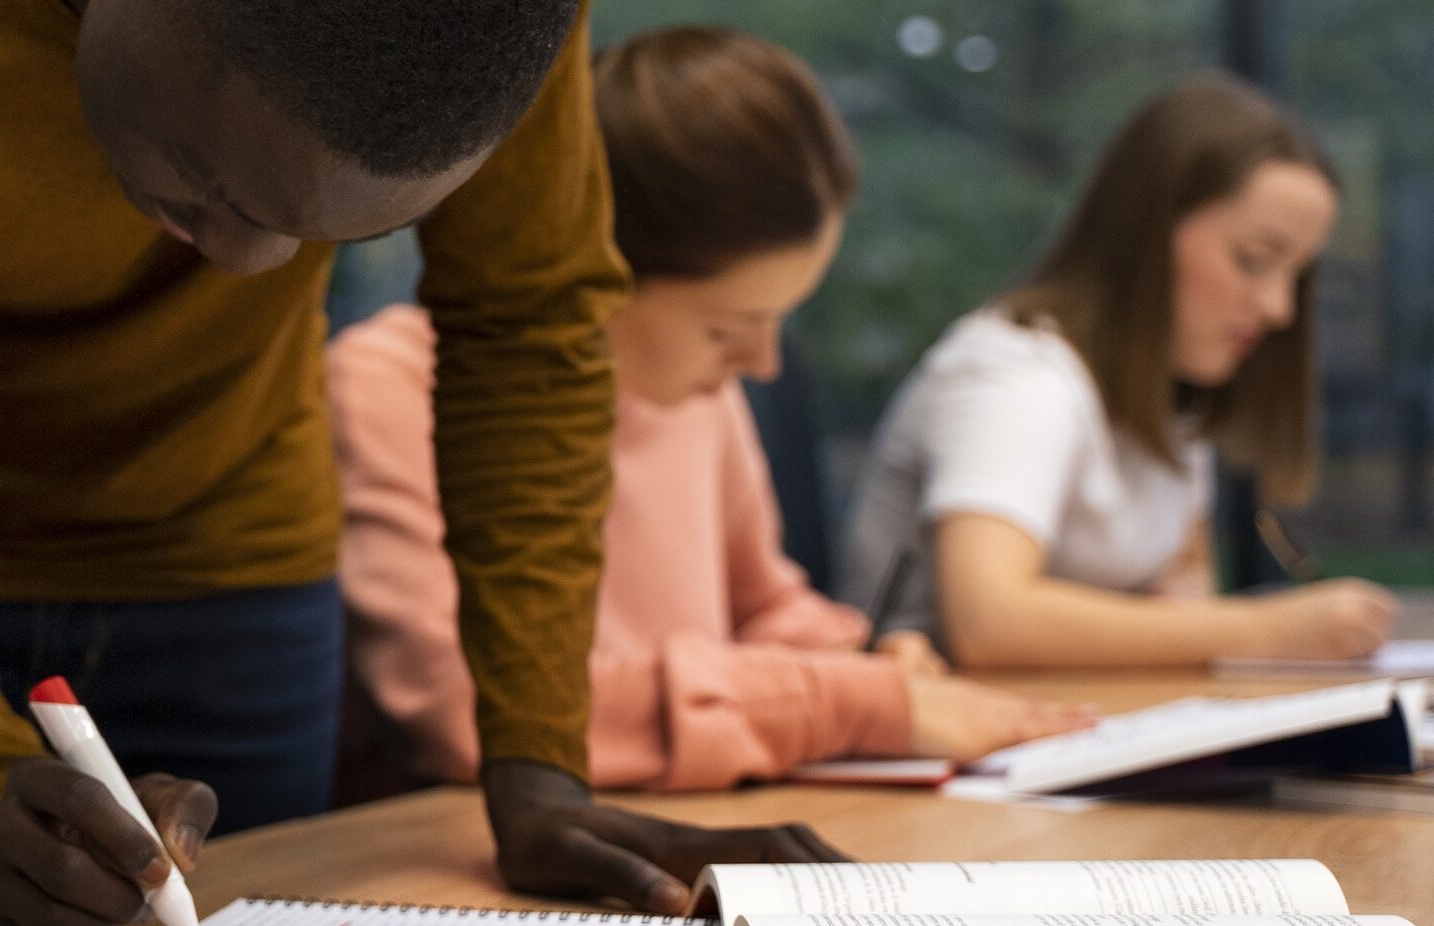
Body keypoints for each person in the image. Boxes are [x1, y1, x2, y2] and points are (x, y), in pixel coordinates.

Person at [0, 0, 837, 926]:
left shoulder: (494, 23)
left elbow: (526, 325)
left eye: (323, 231)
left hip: (235, 568)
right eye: (203, 181)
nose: (244, 266)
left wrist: (537, 764)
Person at [328, 27, 1094, 793]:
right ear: (597, 269)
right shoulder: (385, 390)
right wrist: (846, 704)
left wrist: (859, 658)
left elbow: (757, 608)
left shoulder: (704, 394)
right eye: (727, 330)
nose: (760, 367)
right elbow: (473, 715)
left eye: (779, 324)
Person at [839, 75, 1396, 667]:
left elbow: (1184, 603)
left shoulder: (1175, 403)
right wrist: (1267, 626)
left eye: (1298, 276)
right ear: (1147, 234)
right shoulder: (1018, 374)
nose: (1279, 308)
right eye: (1253, 260)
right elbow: (988, 621)